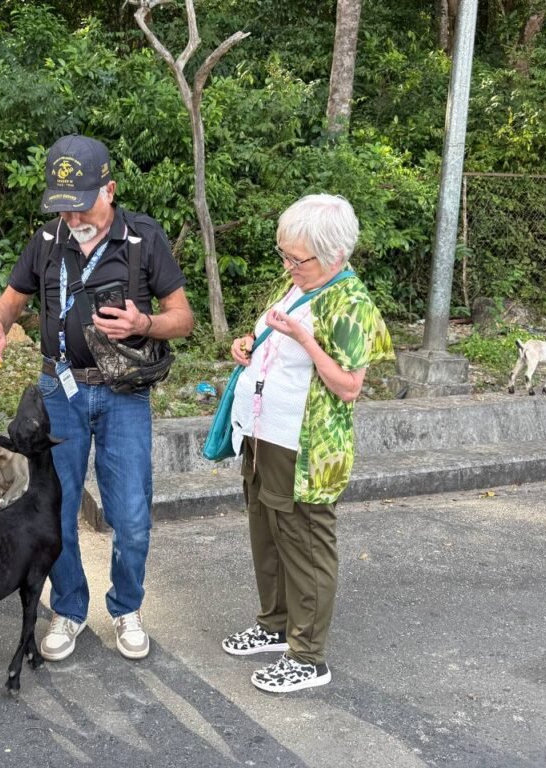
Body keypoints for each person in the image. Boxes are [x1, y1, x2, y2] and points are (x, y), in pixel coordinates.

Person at [0, 135, 193, 661]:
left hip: (123, 394)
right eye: (62, 207)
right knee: (56, 509)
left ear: (109, 189)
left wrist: (145, 322)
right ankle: (68, 610)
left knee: (132, 514)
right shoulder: (47, 241)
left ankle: (126, 609)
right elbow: (8, 302)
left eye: (81, 205)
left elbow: (182, 318)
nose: (72, 217)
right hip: (60, 391)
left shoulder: (142, 238)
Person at [220, 194, 392, 692]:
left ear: (334, 254)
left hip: (307, 447)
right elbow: (272, 342)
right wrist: (247, 347)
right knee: (267, 533)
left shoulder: (350, 302)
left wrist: (305, 340)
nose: (288, 265)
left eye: (298, 258)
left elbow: (349, 387)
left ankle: (308, 655)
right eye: (284, 255)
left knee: (306, 543)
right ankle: (274, 625)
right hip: (263, 433)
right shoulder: (297, 285)